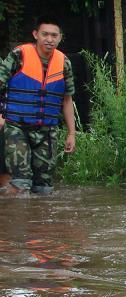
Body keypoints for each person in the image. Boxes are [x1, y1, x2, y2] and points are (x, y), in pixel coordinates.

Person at [0, 16, 76, 196]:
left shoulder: (64, 63)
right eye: (45, 34)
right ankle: (16, 220)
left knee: (44, 188)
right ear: (36, 34)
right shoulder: (18, 55)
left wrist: (72, 133)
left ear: (59, 37)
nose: (49, 39)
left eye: (54, 35)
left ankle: (40, 223)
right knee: (20, 183)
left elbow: (67, 99)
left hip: (47, 131)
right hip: (16, 127)